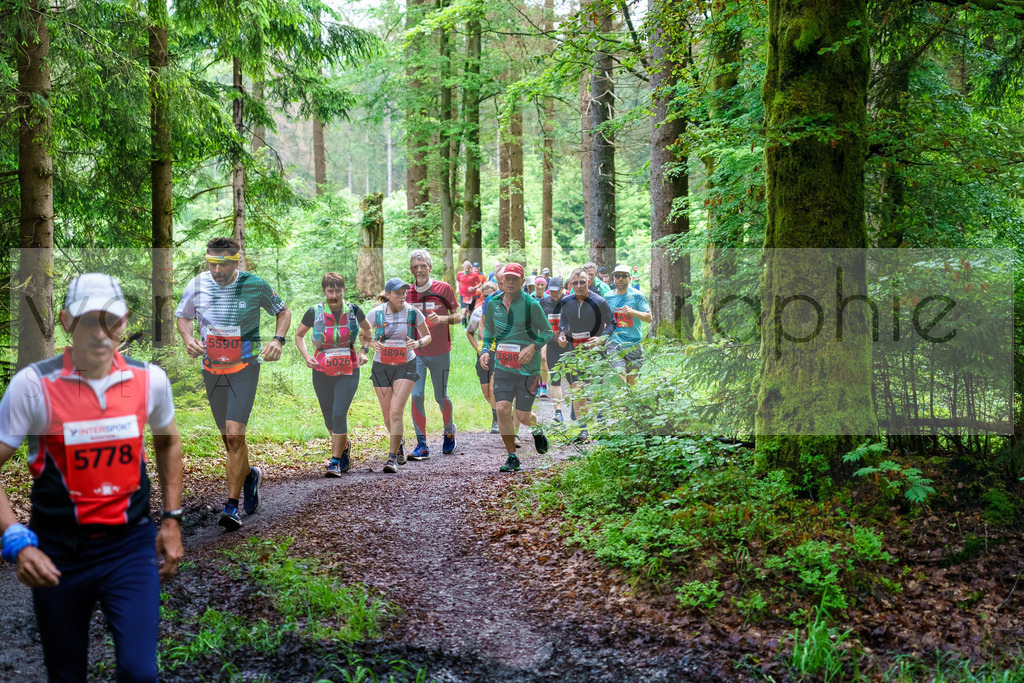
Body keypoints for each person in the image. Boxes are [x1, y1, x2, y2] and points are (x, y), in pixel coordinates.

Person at [0, 273, 183, 682]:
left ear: (124, 321)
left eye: (111, 320)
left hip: (129, 545)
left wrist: (172, 518)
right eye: (88, 321)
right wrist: (13, 536)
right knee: (67, 675)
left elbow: (169, 444)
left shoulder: (149, 379)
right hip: (58, 553)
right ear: (66, 321)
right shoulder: (33, 386)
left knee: (140, 673)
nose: (100, 333)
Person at [175, 237, 291, 531]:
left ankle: (231, 506)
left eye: (223, 265)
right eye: (212, 264)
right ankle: (250, 475)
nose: (216, 271)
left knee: (236, 434)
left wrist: (278, 339)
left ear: (236, 261)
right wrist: (188, 339)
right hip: (212, 368)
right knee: (229, 439)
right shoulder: (197, 284)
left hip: (245, 366)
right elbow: (184, 317)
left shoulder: (255, 285)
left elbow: (283, 311)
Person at [294, 273, 373, 476]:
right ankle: (343, 445)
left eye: (338, 290)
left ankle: (335, 461)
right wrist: (306, 356)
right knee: (329, 418)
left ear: (344, 290)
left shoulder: (354, 311)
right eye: (330, 291)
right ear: (324, 291)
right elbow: (299, 335)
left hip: (348, 369)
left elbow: (368, 331)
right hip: (322, 369)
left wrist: (364, 351)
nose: (334, 295)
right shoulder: (314, 312)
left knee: (339, 413)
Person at [479, 263, 552, 472]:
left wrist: (532, 346)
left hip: (529, 369)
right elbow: (490, 332)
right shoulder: (493, 303)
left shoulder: (531, 305)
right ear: (501, 280)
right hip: (503, 365)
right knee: (501, 408)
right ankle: (512, 457)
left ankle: (536, 428)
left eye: (514, 279)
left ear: (522, 282)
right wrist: (485, 350)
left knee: (522, 416)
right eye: (507, 278)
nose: (510, 282)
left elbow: (548, 332)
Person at [368, 278, 431, 473]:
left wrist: (418, 344)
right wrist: (371, 343)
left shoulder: (413, 312)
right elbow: (362, 334)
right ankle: (400, 441)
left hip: (406, 365)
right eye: (397, 292)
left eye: (404, 291)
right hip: (381, 365)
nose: (402, 295)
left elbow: (427, 335)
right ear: (387, 294)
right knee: (388, 416)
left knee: (396, 412)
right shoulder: (376, 313)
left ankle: (392, 458)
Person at [405, 250, 460, 460]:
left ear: (430, 267)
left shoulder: (443, 289)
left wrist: (442, 320)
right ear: (411, 270)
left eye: (423, 265)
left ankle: (449, 431)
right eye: (415, 266)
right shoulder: (407, 293)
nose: (419, 270)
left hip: (440, 352)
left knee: (440, 396)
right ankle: (422, 444)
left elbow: (458, 315)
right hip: (416, 352)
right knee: (417, 395)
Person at [558, 266, 614, 442]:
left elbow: (612, 323)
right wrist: (561, 334)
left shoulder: (599, 301)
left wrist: (601, 339)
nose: (579, 285)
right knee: (577, 388)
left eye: (582, 282)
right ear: (571, 284)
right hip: (574, 351)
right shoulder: (566, 301)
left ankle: (602, 425)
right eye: (575, 283)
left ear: (588, 282)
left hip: (595, 352)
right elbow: (563, 322)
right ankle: (583, 431)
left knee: (596, 388)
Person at [605, 265, 653, 385]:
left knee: (632, 380)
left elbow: (649, 318)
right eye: (617, 276)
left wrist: (632, 312)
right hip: (614, 343)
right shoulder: (607, 297)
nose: (620, 279)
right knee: (619, 375)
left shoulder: (637, 296)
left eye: (624, 276)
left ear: (629, 278)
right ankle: (621, 402)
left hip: (633, 343)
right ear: (613, 278)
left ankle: (630, 402)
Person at [466, 280, 501, 433]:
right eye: (485, 296)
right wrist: (478, 349)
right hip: (482, 354)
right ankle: (503, 412)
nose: (489, 299)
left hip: (498, 353)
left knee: (494, 388)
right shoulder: (478, 312)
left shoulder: (502, 310)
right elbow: (469, 333)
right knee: (486, 391)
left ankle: (496, 420)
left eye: (491, 295)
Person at [537, 276, 568, 416]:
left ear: (562, 289)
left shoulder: (569, 301)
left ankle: (576, 407)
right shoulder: (544, 302)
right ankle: (558, 412)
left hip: (569, 345)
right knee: (555, 378)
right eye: (551, 291)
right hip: (552, 344)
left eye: (556, 291)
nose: (553, 294)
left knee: (574, 380)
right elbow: (539, 322)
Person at [456, 260, 486, 326]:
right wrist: (457, 288)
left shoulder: (474, 275)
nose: (467, 269)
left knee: (470, 312)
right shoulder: (460, 274)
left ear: (471, 268)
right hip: (463, 295)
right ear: (463, 267)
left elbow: (480, 283)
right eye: (465, 268)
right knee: (463, 312)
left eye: (468, 268)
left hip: (472, 295)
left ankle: (470, 325)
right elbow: (458, 281)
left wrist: (474, 288)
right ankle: (464, 327)